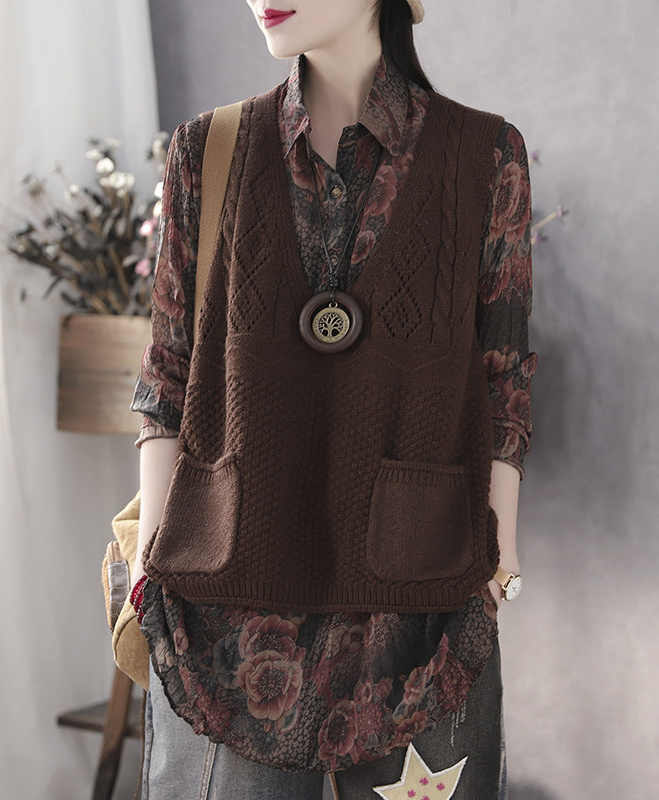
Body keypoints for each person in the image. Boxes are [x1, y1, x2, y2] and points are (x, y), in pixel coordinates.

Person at [128, 1, 537, 797]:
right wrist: (151, 559)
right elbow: (167, 371)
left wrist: (500, 557)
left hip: (420, 600)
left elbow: (504, 374)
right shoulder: (206, 149)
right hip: (226, 600)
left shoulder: (486, 154)